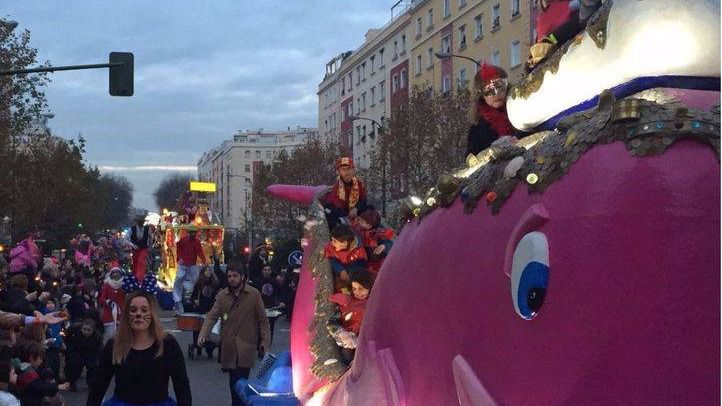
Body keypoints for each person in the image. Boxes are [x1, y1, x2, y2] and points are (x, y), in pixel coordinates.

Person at [87, 291, 191, 406]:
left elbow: (182, 386)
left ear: (152, 314)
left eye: (144, 310)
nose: (138, 314)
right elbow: (99, 386)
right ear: (126, 315)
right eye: (133, 310)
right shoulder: (114, 345)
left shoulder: (167, 344)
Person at [197, 262, 270, 406]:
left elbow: (263, 321)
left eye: (235, 276)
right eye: (229, 276)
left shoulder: (254, 295)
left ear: (242, 277)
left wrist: (265, 343)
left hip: (246, 347)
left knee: (240, 384)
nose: (231, 279)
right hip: (229, 348)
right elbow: (212, 316)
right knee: (234, 386)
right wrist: (203, 334)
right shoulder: (222, 295)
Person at [466, 64, 518, 158]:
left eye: (499, 86)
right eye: (489, 90)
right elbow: (472, 159)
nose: (496, 94)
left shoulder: (521, 110)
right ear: (481, 95)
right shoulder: (477, 130)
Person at [328, 270, 374, 364]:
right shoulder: (347, 302)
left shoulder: (375, 303)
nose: (357, 292)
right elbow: (332, 322)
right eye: (354, 289)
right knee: (347, 354)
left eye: (361, 288)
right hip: (350, 344)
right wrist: (341, 332)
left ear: (369, 287)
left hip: (368, 345)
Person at [12, 340, 68, 405]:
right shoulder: (28, 373)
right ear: (32, 358)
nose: (41, 362)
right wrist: (57, 387)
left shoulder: (24, 369)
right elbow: (39, 387)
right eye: (40, 359)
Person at [321, 157, 368, 230]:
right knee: (331, 213)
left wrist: (356, 208)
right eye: (343, 169)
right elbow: (338, 206)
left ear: (353, 170)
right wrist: (348, 217)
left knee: (370, 210)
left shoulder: (359, 184)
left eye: (349, 168)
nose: (346, 172)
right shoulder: (337, 187)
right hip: (340, 213)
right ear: (339, 172)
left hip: (355, 211)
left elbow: (363, 199)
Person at [324, 224, 368, 292]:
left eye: (334, 241)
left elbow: (361, 266)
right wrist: (341, 270)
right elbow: (332, 259)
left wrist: (349, 273)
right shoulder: (332, 247)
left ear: (344, 243)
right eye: (332, 239)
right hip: (342, 271)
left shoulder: (358, 252)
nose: (332, 243)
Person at [173, 226, 207, 314]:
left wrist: (205, 261)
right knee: (178, 281)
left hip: (192, 265)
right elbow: (178, 248)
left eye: (195, 232)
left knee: (196, 281)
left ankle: (195, 300)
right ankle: (178, 302)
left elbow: (200, 252)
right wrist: (179, 258)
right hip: (183, 265)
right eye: (192, 232)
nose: (194, 234)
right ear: (189, 233)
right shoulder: (183, 240)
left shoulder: (197, 242)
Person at [352, 208, 395, 275]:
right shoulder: (358, 227)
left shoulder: (378, 233)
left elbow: (390, 244)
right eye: (360, 220)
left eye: (362, 222)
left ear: (369, 226)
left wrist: (383, 246)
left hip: (373, 260)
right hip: (359, 255)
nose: (359, 223)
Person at [188, 266, 219, 358]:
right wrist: (194, 301)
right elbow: (193, 297)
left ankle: (209, 347)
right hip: (200, 310)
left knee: (209, 329)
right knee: (198, 328)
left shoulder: (215, 284)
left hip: (211, 309)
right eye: (207, 271)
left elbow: (217, 296)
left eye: (210, 270)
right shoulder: (198, 284)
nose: (209, 272)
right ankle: (198, 346)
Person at [65, 319, 102, 392]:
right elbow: (65, 334)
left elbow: (99, 350)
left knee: (93, 366)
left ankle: (91, 384)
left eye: (89, 330)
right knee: (77, 363)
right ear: (81, 327)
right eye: (84, 329)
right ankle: (72, 383)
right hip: (75, 348)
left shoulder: (97, 336)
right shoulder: (75, 327)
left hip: (89, 350)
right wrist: (67, 345)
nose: (86, 332)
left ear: (93, 330)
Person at [98, 267, 125, 342]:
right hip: (109, 314)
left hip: (121, 314)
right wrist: (108, 302)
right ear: (111, 274)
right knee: (110, 336)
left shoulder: (124, 284)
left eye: (117, 272)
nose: (116, 274)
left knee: (121, 336)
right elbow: (101, 299)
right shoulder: (107, 285)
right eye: (114, 272)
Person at [130, 214, 152, 282]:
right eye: (139, 222)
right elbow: (125, 239)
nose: (141, 223)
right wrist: (132, 245)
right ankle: (136, 279)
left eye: (142, 222)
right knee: (136, 263)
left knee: (141, 261)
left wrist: (150, 246)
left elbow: (150, 237)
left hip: (144, 249)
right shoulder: (132, 229)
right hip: (135, 249)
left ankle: (140, 278)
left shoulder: (148, 229)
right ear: (137, 222)